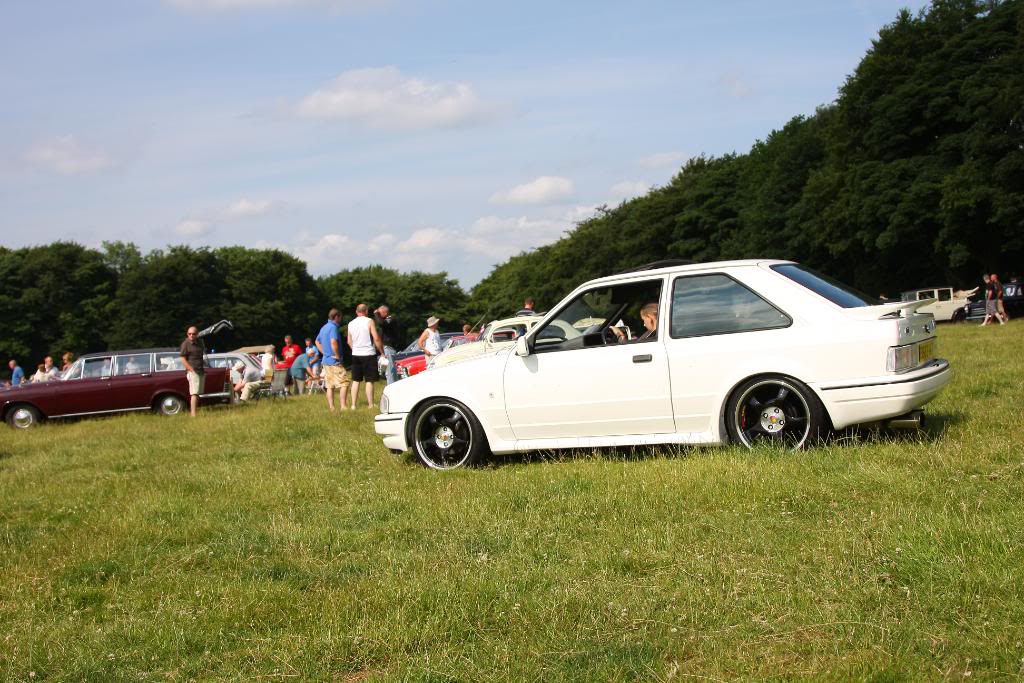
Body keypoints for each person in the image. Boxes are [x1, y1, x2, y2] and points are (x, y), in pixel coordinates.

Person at [348, 303, 384, 409]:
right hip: (368, 353)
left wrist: (355, 349)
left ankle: (353, 405)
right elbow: (376, 338)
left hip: (355, 354)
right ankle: (370, 404)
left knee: (355, 380)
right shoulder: (369, 321)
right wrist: (381, 352)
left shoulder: (350, 323)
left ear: (356, 311)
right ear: (366, 311)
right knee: (369, 380)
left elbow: (349, 341)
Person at [316, 308, 352, 413]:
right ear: (336, 317)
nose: (341, 319)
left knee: (329, 385)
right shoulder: (333, 328)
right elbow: (333, 342)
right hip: (334, 361)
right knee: (344, 382)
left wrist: (324, 353)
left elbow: (317, 341)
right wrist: (337, 355)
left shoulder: (324, 327)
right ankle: (343, 406)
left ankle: (332, 407)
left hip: (325, 361)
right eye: (340, 317)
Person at [179, 325, 206, 417]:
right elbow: (183, 359)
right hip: (193, 371)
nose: (191, 335)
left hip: (200, 370)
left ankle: (194, 412)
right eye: (189, 334)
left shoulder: (200, 342)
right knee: (194, 393)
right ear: (187, 334)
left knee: (197, 393)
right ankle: (193, 415)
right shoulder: (185, 344)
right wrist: (191, 370)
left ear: (197, 334)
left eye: (193, 334)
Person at [373, 305, 400, 385]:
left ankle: (391, 387)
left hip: (389, 348)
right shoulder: (385, 321)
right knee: (386, 370)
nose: (379, 315)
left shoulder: (391, 319)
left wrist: (376, 314)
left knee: (390, 370)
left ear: (385, 312)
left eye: (380, 313)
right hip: (386, 348)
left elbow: (381, 323)